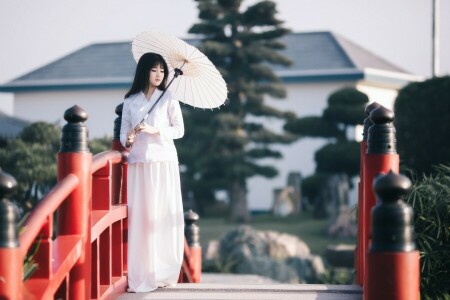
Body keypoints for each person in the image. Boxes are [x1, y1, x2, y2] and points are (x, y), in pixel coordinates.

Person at [120, 52, 185, 292]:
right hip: (139, 163)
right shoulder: (130, 100)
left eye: (162, 71)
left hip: (163, 162)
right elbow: (124, 135)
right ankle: (141, 273)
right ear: (144, 71)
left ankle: (163, 271)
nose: (159, 75)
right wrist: (128, 138)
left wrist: (154, 129)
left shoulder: (168, 97)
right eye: (154, 70)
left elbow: (179, 130)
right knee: (141, 218)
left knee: (162, 214)